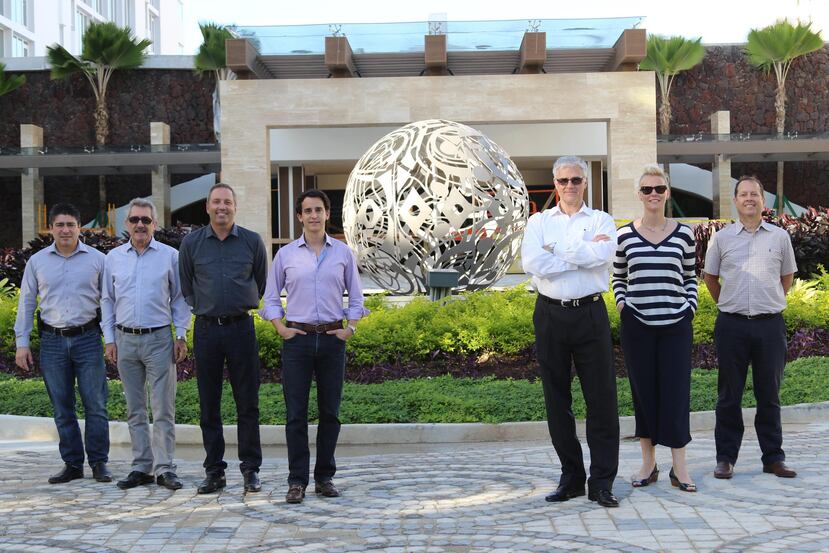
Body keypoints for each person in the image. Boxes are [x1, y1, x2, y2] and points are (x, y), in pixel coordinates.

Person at [521, 155, 620, 508]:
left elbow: (605, 253)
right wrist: (581, 253)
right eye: (563, 181)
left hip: (590, 313)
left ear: (585, 183)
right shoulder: (538, 222)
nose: (569, 186)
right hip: (550, 315)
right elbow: (532, 263)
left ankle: (603, 481)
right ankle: (572, 477)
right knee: (557, 400)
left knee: (602, 400)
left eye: (575, 180)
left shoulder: (601, 219)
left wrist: (558, 251)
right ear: (555, 183)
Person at [261, 189, 368, 504]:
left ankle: (324, 478)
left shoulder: (343, 253)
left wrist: (350, 328)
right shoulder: (286, 255)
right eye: (307, 211)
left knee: (330, 413)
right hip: (298, 341)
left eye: (318, 210)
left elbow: (357, 295)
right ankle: (297, 482)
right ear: (299, 216)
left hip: (333, 341)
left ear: (326, 213)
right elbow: (270, 296)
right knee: (295, 415)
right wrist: (280, 327)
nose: (313, 216)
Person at [704, 175, 798, 480]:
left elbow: (787, 277)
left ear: (762, 199)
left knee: (769, 395)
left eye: (754, 194)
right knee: (728, 395)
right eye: (743, 194)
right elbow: (710, 278)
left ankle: (773, 457)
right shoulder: (721, 238)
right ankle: (726, 458)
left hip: (769, 326)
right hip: (731, 325)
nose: (749, 199)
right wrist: (730, 303)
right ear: (735, 201)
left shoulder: (779, 237)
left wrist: (768, 301)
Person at [612, 164, 698, 493]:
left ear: (667, 193)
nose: (653, 195)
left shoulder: (684, 234)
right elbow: (618, 277)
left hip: (676, 325)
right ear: (639, 194)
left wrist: (689, 307)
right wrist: (623, 305)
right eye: (647, 189)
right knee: (643, 394)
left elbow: (690, 277)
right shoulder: (623, 235)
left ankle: (680, 467)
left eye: (659, 189)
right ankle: (648, 464)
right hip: (638, 326)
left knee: (676, 395)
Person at [179, 183, 268, 494]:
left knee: (248, 403)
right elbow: (187, 285)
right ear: (207, 207)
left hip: (241, 328)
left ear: (235, 206)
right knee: (209, 404)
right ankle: (214, 471)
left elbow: (260, 283)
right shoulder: (191, 244)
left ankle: (250, 469)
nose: (222, 207)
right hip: (206, 330)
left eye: (227, 202)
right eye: (216, 202)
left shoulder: (252, 242)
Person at [14, 203, 111, 484]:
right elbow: (27, 303)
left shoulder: (97, 260)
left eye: (70, 224)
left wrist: (110, 339)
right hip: (52, 342)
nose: (65, 230)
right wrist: (22, 343)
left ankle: (99, 463)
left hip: (88, 339)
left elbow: (108, 302)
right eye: (60, 225)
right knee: (62, 407)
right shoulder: (38, 262)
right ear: (51, 228)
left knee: (96, 404)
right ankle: (72, 464)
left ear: (80, 227)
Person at [101, 198, 191, 491]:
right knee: (135, 408)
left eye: (146, 220)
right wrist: (110, 340)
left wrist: (181, 335)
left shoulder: (170, 256)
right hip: (125, 340)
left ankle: (165, 468)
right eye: (135, 220)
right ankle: (141, 467)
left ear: (154, 224)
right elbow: (107, 300)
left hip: (159, 339)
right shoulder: (113, 258)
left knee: (163, 408)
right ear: (126, 224)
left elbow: (179, 298)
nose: (140, 224)